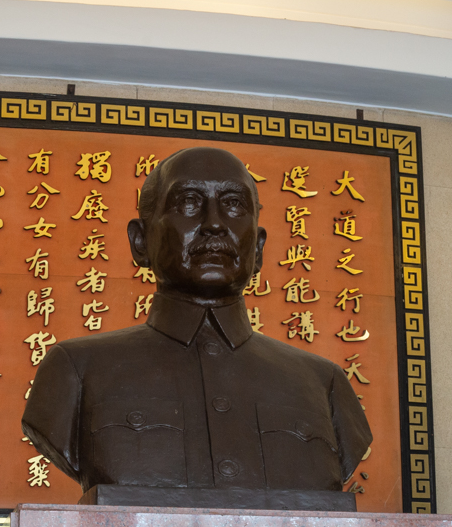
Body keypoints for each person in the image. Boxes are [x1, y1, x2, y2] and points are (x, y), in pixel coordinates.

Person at [21, 146, 370, 502]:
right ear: (140, 241)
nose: (215, 223)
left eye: (234, 204)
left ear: (259, 248)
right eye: (188, 202)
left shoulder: (323, 384)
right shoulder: (77, 370)